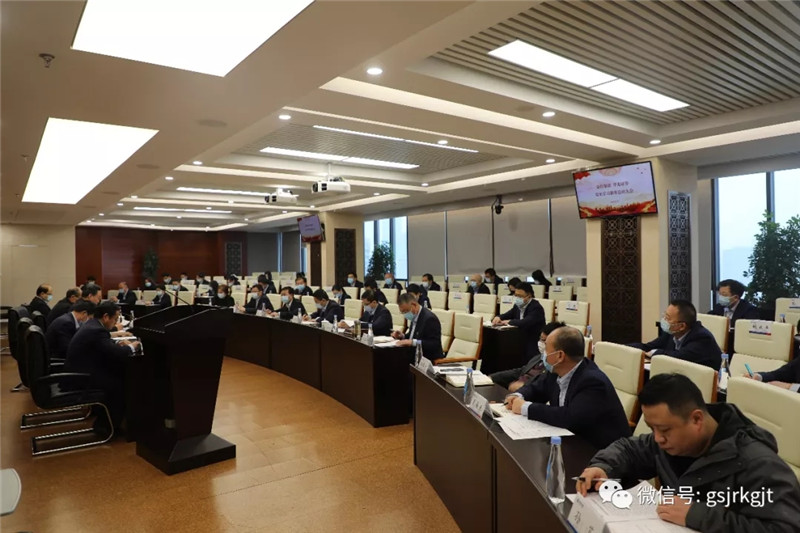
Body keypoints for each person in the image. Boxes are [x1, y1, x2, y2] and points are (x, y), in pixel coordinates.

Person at [576, 374, 800, 531]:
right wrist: (603, 467)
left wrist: (697, 516)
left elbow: (785, 528)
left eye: (664, 430)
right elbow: (629, 449)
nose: (657, 438)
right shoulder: (672, 441)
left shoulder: (759, 464)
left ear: (696, 419)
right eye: (652, 428)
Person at [505, 326, 631, 449]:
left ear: (560, 356)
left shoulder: (592, 381)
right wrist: (517, 395)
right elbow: (536, 388)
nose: (543, 354)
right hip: (570, 441)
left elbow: (570, 417)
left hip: (600, 450)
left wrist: (525, 407)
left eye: (546, 349)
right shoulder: (556, 371)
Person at [65, 302, 141, 431]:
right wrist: (132, 346)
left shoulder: (92, 324)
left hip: (79, 371)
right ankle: (107, 427)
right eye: (115, 319)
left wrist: (116, 345)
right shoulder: (96, 330)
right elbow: (117, 353)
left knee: (118, 374)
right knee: (121, 384)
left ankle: (107, 420)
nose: (115, 322)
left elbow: (104, 346)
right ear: (106, 317)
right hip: (81, 378)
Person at [629, 300, 722, 370]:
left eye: (668, 318)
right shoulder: (671, 332)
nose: (664, 320)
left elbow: (679, 357)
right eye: (664, 315)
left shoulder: (702, 338)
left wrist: (654, 352)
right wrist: (624, 349)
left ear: (681, 326)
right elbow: (648, 347)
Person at [491, 321, 566, 391]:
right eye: (540, 339)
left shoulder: (556, 367)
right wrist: (492, 377)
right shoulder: (538, 357)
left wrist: (523, 387)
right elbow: (521, 371)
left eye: (544, 341)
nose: (540, 343)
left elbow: (541, 385)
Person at [492, 281, 545, 360]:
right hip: (520, 336)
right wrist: (498, 317)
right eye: (516, 295)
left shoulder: (536, 307)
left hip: (533, 339)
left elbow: (525, 322)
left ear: (529, 295)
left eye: (520, 296)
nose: (517, 298)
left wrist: (509, 321)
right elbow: (508, 314)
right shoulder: (517, 305)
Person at [707, 279, 760, 353]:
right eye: (719, 294)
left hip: (736, 348)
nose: (721, 297)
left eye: (724, 295)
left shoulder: (749, 310)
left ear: (736, 297)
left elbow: (746, 334)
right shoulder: (719, 307)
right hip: (718, 346)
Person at [391, 293, 442, 361]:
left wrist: (413, 342)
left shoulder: (429, 319)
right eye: (402, 312)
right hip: (414, 356)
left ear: (414, 305)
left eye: (406, 311)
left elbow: (434, 344)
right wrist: (402, 336)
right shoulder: (415, 316)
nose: (405, 314)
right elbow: (413, 336)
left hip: (428, 360)